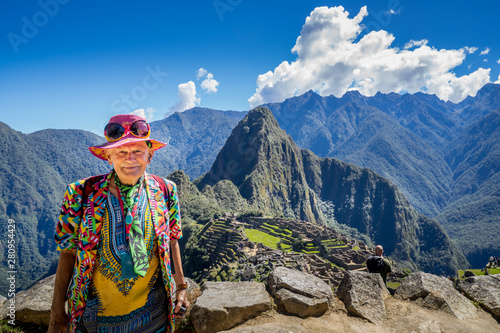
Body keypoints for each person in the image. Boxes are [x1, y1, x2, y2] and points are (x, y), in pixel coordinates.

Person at [48, 114, 189, 333]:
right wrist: (57, 312)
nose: (129, 159)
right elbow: (67, 252)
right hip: (94, 320)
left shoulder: (165, 190)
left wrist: (181, 287)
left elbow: (172, 240)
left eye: (138, 151)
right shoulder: (79, 193)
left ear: (150, 155)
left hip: (153, 316)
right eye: (121, 152)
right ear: (108, 157)